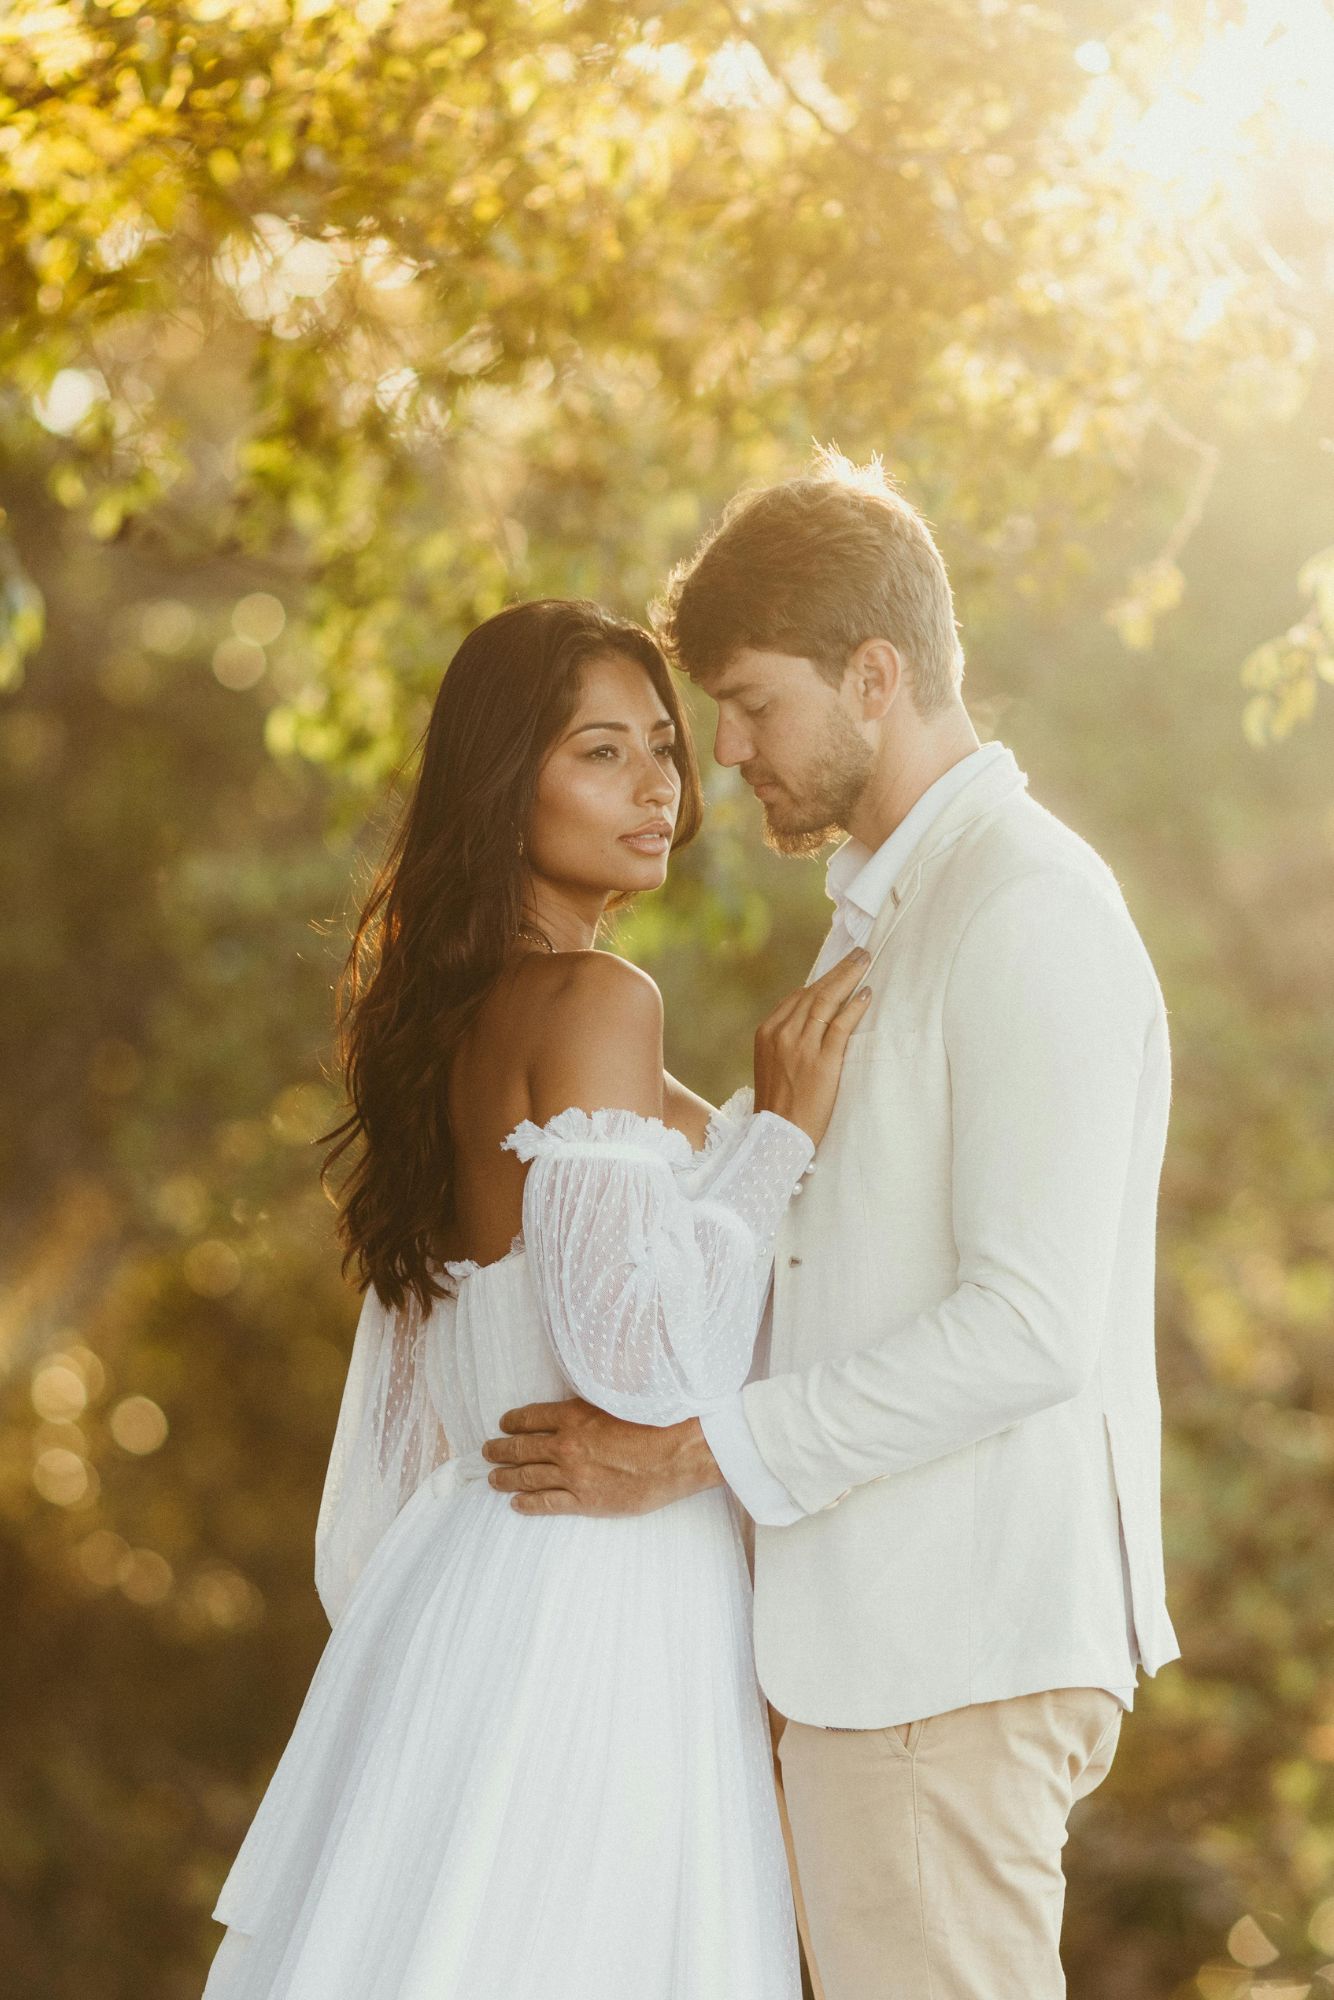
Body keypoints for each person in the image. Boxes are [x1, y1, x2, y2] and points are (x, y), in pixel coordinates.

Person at [483, 457, 1182, 2000]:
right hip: (869, 1657)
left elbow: (1028, 1328)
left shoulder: (1025, 907)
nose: (721, 756)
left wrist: (686, 1454)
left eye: (748, 705)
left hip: (945, 1652)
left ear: (874, 676)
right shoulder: (895, 910)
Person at [199, 596, 869, 2000]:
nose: (657, 786)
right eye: (600, 752)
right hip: (595, 1592)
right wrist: (784, 1143)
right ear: (510, 781)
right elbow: (631, 1360)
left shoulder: (443, 1022)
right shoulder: (594, 1001)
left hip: (476, 1585)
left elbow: (399, 1443)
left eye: (665, 750)